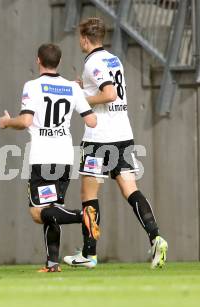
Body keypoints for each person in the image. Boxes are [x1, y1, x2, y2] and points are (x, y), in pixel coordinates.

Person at [63, 17, 168, 269]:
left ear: (85, 39)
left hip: (100, 137)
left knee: (88, 194)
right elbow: (110, 89)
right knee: (131, 189)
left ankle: (89, 254)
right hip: (123, 133)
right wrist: (85, 87)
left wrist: (83, 97)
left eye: (80, 37)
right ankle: (156, 237)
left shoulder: (92, 62)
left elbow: (108, 94)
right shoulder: (113, 58)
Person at [0, 43, 98, 272]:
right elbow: (92, 121)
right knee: (53, 209)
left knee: (37, 212)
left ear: (38, 61)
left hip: (43, 158)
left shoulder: (33, 86)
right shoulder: (71, 88)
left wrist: (6, 122)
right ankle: (52, 263)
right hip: (64, 157)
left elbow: (24, 122)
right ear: (59, 62)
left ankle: (82, 216)